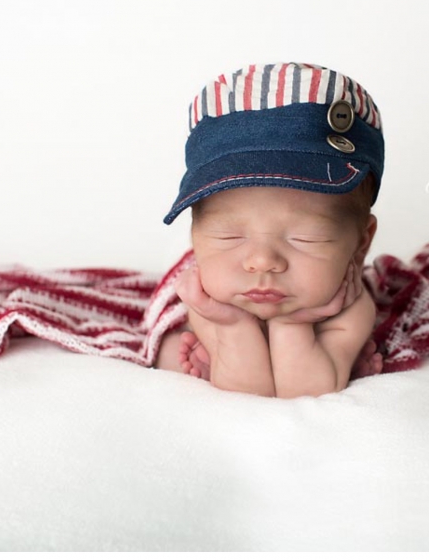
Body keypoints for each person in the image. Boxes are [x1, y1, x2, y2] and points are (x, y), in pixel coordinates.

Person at [154, 63, 385, 398]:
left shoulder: (352, 305)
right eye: (229, 236)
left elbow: (304, 391)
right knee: (168, 350)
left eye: (306, 237)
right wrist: (232, 324)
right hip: (205, 311)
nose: (262, 261)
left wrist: (294, 324)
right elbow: (247, 391)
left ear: (361, 243)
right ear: (195, 238)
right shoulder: (203, 297)